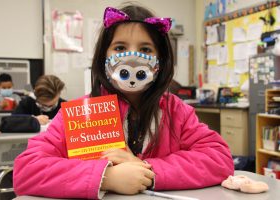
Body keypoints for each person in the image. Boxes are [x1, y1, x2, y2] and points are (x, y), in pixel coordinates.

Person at [13, 4, 234, 199]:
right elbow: (26, 171)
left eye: (145, 49)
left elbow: (219, 160)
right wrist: (105, 177)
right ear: (103, 55)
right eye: (120, 48)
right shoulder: (82, 112)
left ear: (160, 60)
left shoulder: (176, 111)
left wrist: (146, 169)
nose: (131, 56)